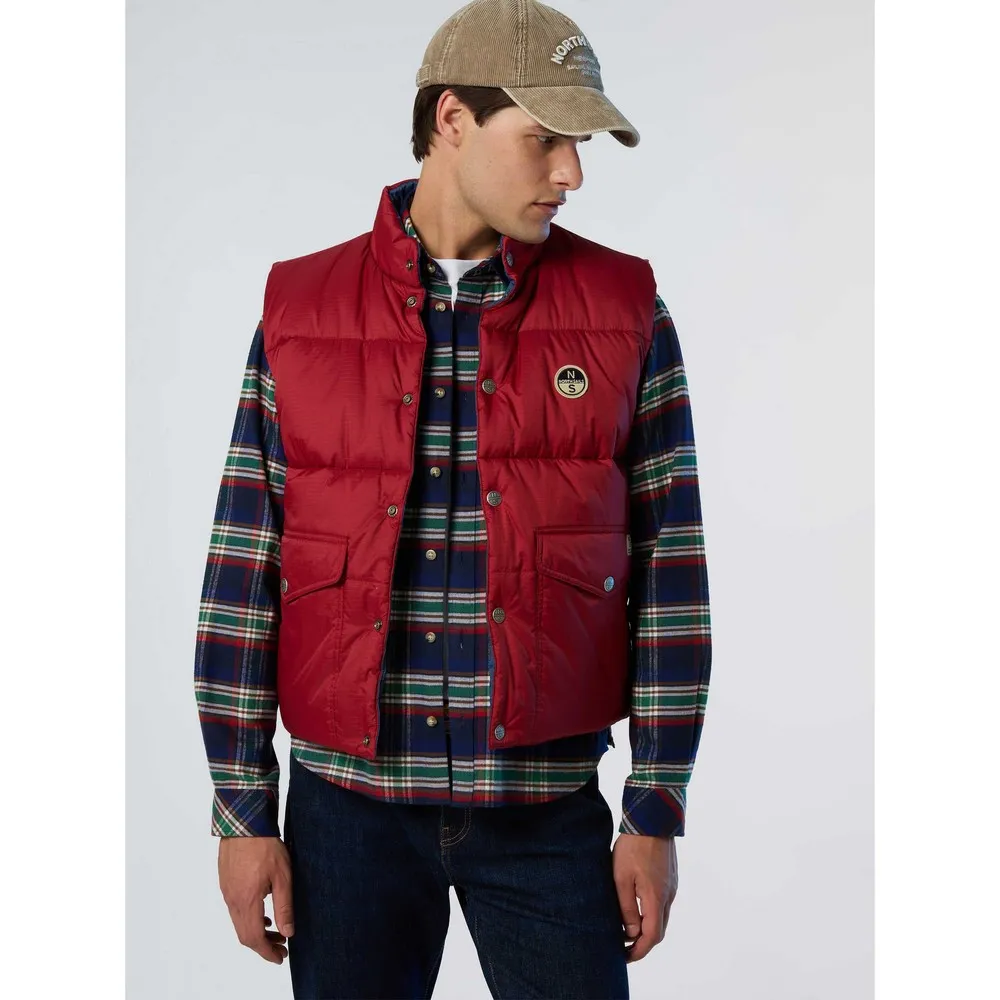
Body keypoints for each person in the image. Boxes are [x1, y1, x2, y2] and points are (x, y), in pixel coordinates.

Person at [193, 1, 712, 996]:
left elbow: (670, 574)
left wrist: (654, 806)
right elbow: (242, 570)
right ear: (452, 120)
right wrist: (241, 808)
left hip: (547, 812)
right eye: (545, 139)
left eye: (579, 145)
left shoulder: (624, 311)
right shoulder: (301, 310)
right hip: (344, 816)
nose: (571, 173)